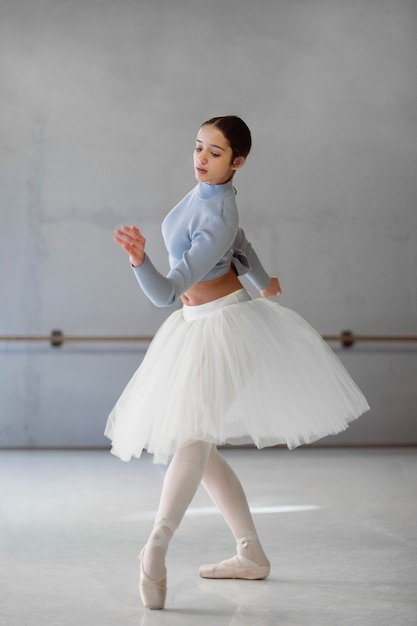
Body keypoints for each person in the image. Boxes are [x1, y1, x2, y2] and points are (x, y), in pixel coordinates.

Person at [105, 115, 369, 610]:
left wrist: (140, 261)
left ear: (238, 162)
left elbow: (165, 293)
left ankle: (155, 547)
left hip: (226, 328)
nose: (202, 159)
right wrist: (265, 279)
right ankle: (250, 553)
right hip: (195, 328)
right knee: (200, 447)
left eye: (216, 153)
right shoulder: (211, 197)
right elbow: (242, 243)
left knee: (194, 438)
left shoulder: (217, 214)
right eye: (199, 147)